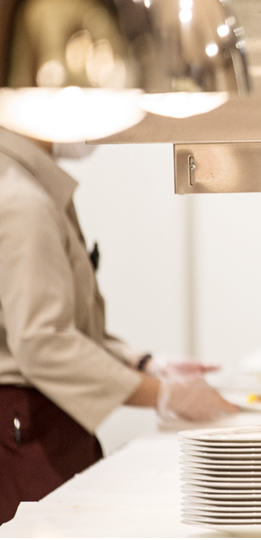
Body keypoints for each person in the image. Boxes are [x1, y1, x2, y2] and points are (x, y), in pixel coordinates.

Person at [0, 128, 238, 524]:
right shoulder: (22, 200)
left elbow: (52, 318)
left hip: (46, 421)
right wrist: (166, 395)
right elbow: (42, 343)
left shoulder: (33, 185)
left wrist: (142, 362)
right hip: (26, 428)